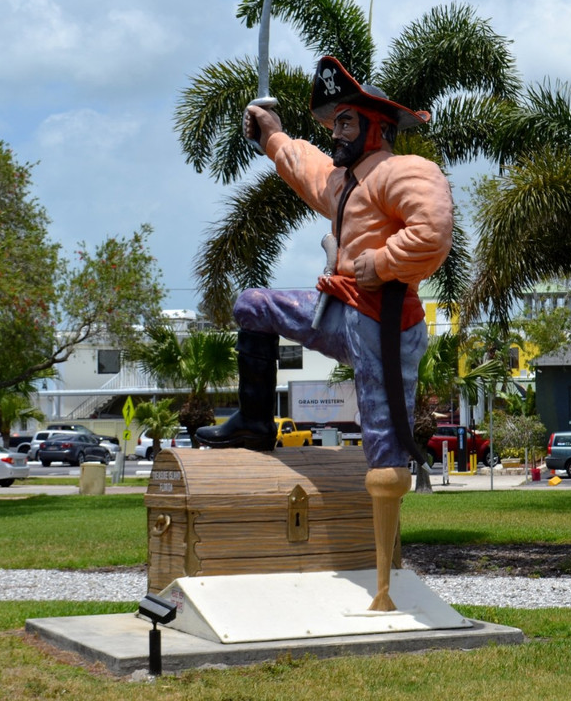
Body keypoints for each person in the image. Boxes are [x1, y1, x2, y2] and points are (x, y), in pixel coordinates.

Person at [193, 56, 454, 610]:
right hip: (337, 313)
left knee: (384, 455)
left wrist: (381, 262)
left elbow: (432, 232)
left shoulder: (404, 172)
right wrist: (271, 133)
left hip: (385, 323)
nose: (335, 131)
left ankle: (383, 589)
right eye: (334, 123)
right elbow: (302, 164)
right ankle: (256, 423)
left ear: (376, 128)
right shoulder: (344, 182)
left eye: (347, 122)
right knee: (252, 306)